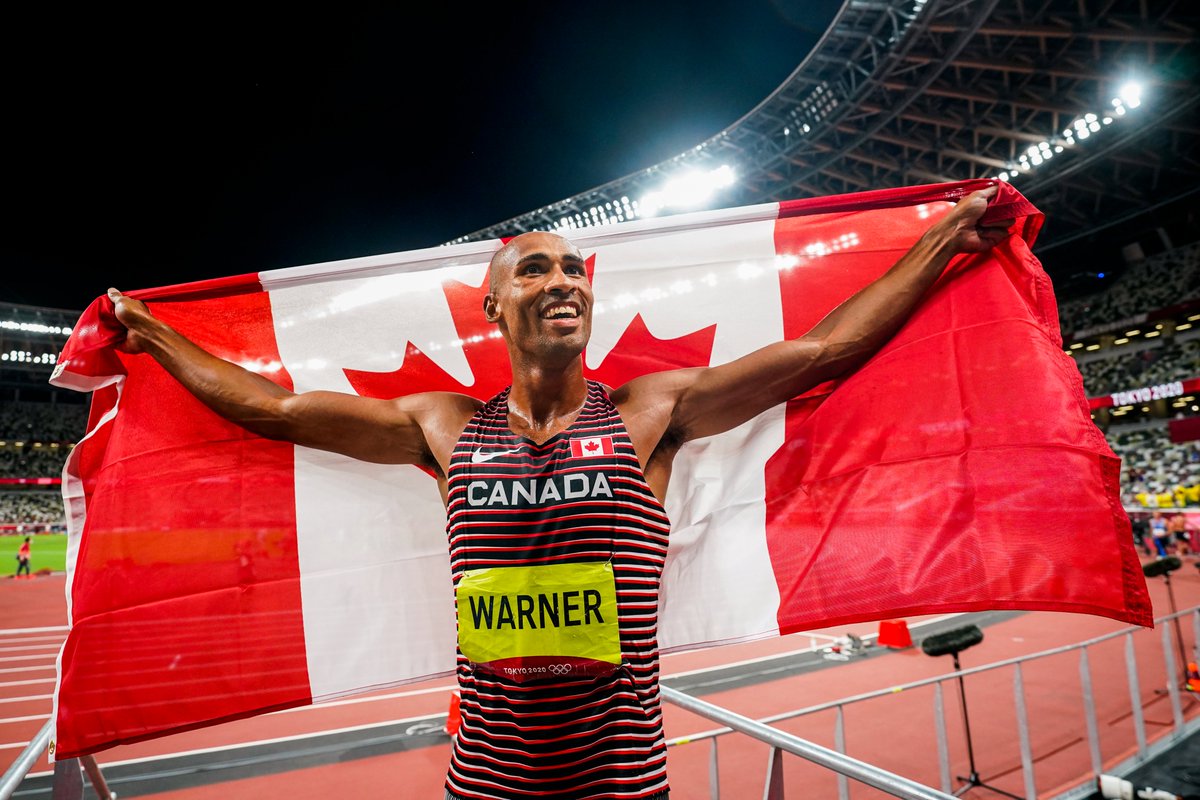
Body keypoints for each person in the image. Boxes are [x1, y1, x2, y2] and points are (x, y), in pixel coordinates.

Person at [107, 185, 1010, 799]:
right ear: (495, 308)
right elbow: (279, 410)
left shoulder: (649, 412)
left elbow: (820, 354)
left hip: (621, 780)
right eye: (534, 270)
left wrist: (943, 241)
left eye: (573, 269)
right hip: (488, 782)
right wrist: (150, 335)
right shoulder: (445, 426)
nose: (563, 279)